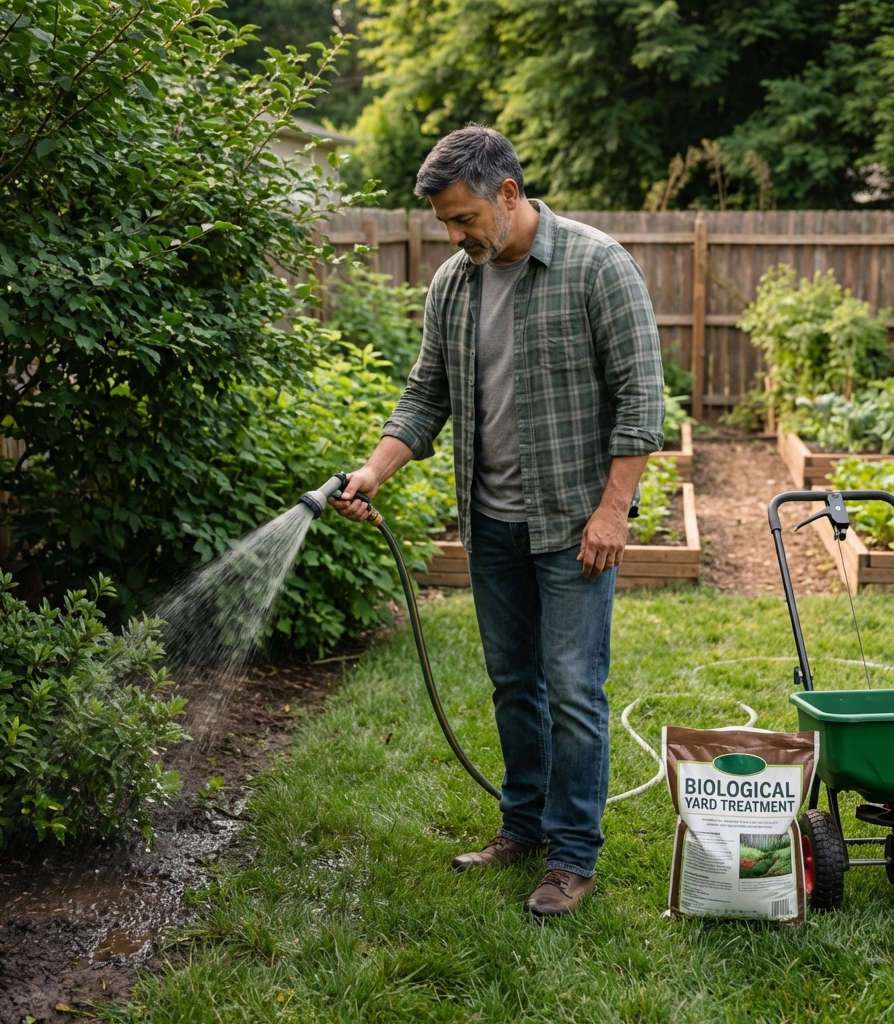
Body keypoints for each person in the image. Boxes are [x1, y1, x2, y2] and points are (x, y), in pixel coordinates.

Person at [330, 125, 664, 917]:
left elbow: (642, 403)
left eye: (463, 217)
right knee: (514, 683)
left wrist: (613, 513)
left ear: (508, 194)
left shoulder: (597, 266)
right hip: (491, 521)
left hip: (574, 525)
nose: (454, 235)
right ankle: (522, 827)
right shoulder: (455, 283)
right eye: (445, 223)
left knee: (575, 690)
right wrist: (372, 471)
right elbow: (426, 395)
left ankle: (574, 857)